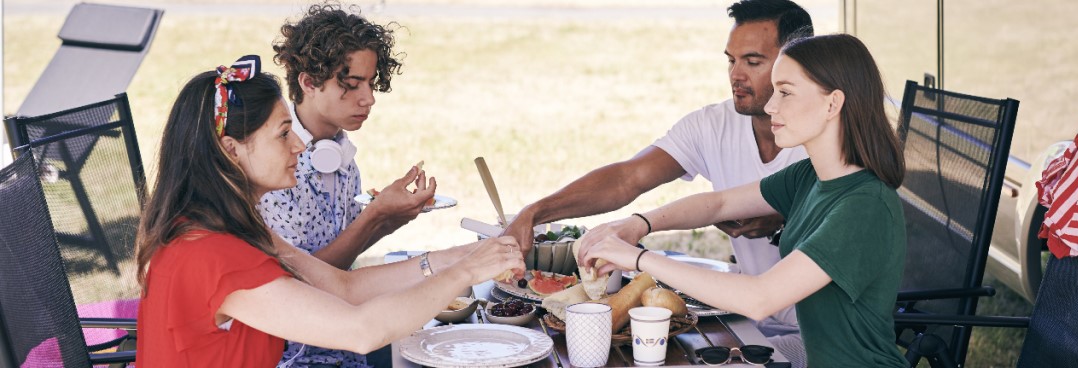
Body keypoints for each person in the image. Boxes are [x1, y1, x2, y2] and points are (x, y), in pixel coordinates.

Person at [135, 57, 524, 367]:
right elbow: (362, 330)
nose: (299, 147)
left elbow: (344, 288)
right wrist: (466, 274)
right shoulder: (215, 255)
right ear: (231, 149)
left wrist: (464, 256)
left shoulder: (225, 226)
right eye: (282, 133)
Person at [499, 0, 813, 363]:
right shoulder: (714, 124)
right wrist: (535, 212)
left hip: (814, 333)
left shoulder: (828, 139)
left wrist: (787, 220)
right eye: (731, 60)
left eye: (753, 62)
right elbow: (630, 179)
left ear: (797, 64)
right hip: (742, 317)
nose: (735, 75)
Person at [577, 34, 910, 367]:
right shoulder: (810, 176)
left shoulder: (864, 207)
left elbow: (759, 298)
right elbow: (719, 204)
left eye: (786, 92)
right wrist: (638, 224)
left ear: (832, 104)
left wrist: (639, 259)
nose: (770, 106)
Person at [257, 3, 425, 366]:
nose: (368, 99)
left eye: (370, 83)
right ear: (308, 82)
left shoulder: (341, 155)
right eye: (351, 85)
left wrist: (389, 220)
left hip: (343, 339)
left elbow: (343, 252)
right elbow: (304, 280)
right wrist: (374, 217)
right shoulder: (276, 168)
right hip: (297, 353)